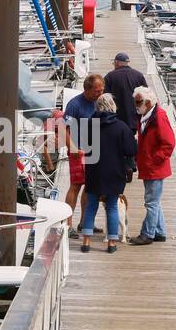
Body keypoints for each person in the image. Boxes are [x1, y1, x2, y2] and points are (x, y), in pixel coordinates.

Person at [80, 94, 137, 254]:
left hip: (94, 170)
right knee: (112, 207)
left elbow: (83, 145)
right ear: (113, 107)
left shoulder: (89, 125)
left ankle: (86, 241)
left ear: (97, 107)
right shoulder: (121, 127)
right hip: (115, 171)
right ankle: (112, 243)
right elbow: (132, 150)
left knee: (91, 206)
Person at [129, 86, 175, 245]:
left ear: (148, 103)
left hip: (155, 167)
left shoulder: (159, 117)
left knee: (151, 202)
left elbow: (169, 143)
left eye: (138, 102)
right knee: (154, 201)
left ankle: (147, 234)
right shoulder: (145, 116)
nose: (136, 105)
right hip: (148, 165)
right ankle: (160, 232)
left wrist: (154, 159)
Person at [63, 73, 105, 235]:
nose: (100, 94)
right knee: (76, 186)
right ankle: (68, 225)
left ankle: (85, 223)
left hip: (94, 151)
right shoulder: (75, 105)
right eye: (97, 91)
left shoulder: (99, 103)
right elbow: (64, 129)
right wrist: (72, 148)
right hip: (78, 152)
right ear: (87, 89)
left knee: (91, 188)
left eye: (102, 90)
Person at [104, 52, 148, 133]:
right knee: (130, 139)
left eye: (114, 63)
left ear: (117, 63)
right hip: (134, 118)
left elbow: (104, 98)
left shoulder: (110, 76)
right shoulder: (139, 75)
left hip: (116, 118)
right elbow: (147, 95)